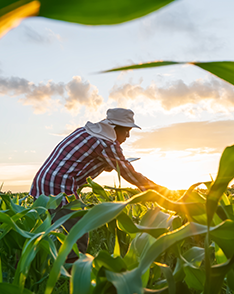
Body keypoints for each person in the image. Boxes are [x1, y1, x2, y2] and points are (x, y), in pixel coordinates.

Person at [29, 108, 164, 262]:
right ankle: (73, 273)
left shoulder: (86, 132)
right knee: (78, 230)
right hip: (59, 187)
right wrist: (159, 192)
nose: (128, 135)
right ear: (114, 128)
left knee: (38, 230)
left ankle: (25, 264)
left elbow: (82, 160)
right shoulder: (107, 143)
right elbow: (130, 174)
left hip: (43, 181)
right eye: (126, 130)